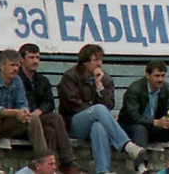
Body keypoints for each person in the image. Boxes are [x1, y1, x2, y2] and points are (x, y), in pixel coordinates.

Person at [56, 44, 148, 174]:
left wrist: (99, 85)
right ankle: (127, 145)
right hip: (72, 123)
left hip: (94, 122)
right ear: (85, 62)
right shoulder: (70, 76)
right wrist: (96, 112)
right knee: (99, 110)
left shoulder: (105, 79)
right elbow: (72, 104)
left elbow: (109, 105)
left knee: (98, 127)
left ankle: (103, 171)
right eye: (95, 60)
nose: (99, 63)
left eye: (100, 59)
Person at [0, 49, 54, 174]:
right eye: (12, 65)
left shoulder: (17, 81)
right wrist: (14, 113)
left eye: (18, 65)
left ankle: (44, 163)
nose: (16, 69)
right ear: (2, 66)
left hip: (2, 124)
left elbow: (22, 103)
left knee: (33, 118)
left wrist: (24, 113)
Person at [18, 43, 82, 174]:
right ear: (22, 59)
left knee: (50, 131)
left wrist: (39, 111)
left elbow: (49, 102)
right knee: (56, 118)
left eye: (37, 57)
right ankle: (67, 161)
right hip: (21, 120)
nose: (35, 61)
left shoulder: (42, 80)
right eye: (31, 57)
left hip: (39, 118)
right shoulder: (17, 79)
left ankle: (49, 168)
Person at [117, 61, 169, 158]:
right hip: (132, 129)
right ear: (147, 75)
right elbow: (132, 117)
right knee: (140, 129)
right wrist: (155, 122)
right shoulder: (134, 89)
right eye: (157, 76)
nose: (160, 79)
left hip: (154, 128)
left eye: (163, 76)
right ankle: (141, 164)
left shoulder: (168, 90)